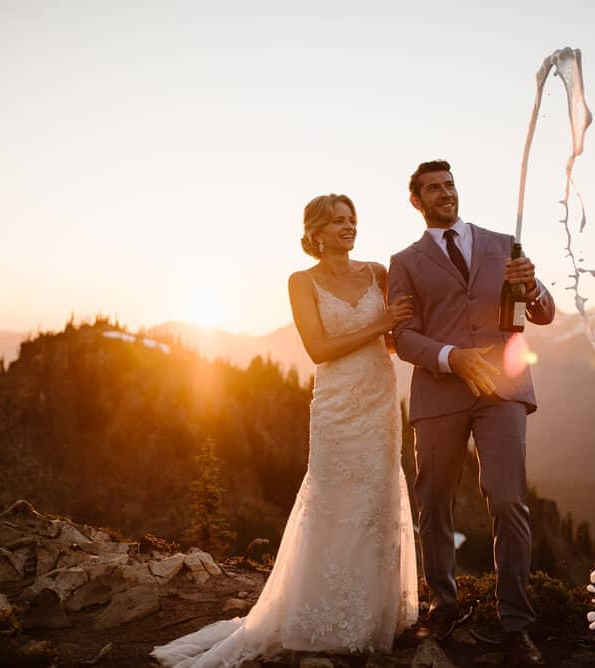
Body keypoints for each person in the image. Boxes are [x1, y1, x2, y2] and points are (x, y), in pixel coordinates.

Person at [151, 194, 419, 667]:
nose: (348, 227)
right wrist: (380, 322)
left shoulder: (377, 271)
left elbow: (394, 341)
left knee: (376, 502)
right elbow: (318, 348)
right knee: (334, 501)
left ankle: (372, 616)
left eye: (352, 219)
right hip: (336, 407)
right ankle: (320, 616)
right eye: (337, 221)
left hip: (379, 402)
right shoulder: (302, 281)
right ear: (315, 232)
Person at [387, 160, 555, 667]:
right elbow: (402, 337)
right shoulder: (404, 262)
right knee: (434, 504)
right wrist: (451, 357)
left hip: (502, 388)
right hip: (441, 391)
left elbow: (542, 312)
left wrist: (535, 284)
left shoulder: (503, 243)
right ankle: (443, 605)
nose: (446, 194)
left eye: (450, 185)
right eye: (433, 189)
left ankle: (516, 626)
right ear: (416, 201)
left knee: (508, 502)